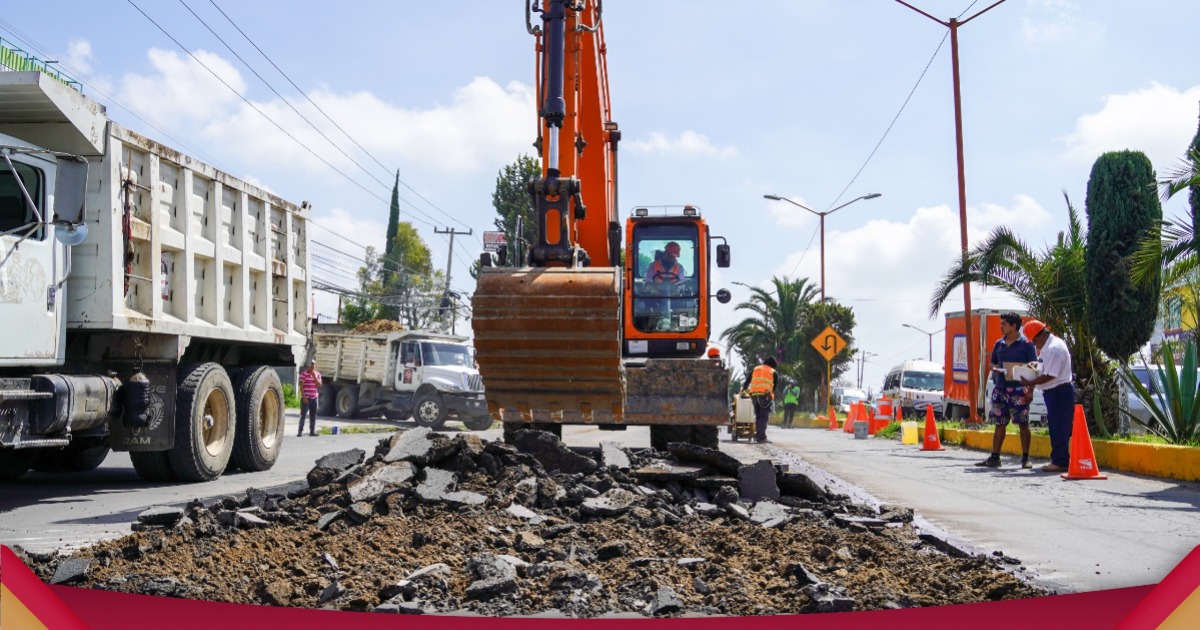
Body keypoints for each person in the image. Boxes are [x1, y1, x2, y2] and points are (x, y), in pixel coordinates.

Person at [976, 312, 1039, 469]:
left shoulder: (1027, 345)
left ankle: (1025, 458)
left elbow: (1034, 368)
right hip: (1000, 388)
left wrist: (1030, 390)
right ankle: (995, 457)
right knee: (999, 423)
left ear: (1013, 326)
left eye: (1004, 324)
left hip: (1019, 389)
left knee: (1023, 424)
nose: (1001, 326)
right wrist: (995, 369)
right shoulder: (999, 344)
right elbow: (993, 363)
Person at [1019, 319, 1074, 473]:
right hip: (1053, 392)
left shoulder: (1054, 349)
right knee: (1056, 426)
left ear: (1041, 335)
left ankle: (1061, 461)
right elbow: (1041, 368)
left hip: (1059, 392)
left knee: (1059, 427)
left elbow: (1050, 375)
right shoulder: (1047, 348)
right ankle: (1058, 458)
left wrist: (1030, 382)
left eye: (1035, 340)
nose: (1034, 344)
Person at [742, 356, 778, 443]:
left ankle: (758, 435)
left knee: (758, 416)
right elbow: (774, 387)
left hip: (754, 395)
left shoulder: (756, 369)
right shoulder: (773, 372)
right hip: (765, 396)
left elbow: (747, 381)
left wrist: (743, 389)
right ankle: (761, 437)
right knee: (764, 417)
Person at [297, 360, 322, 437]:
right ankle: (300, 431)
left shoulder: (317, 374)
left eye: (313, 365)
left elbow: (319, 385)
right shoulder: (304, 374)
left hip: (314, 398)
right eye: (311, 364)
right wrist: (304, 397)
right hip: (306, 398)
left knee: (313, 415)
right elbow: (301, 386)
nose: (312, 366)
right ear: (308, 365)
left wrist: (314, 376)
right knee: (303, 415)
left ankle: (312, 431)